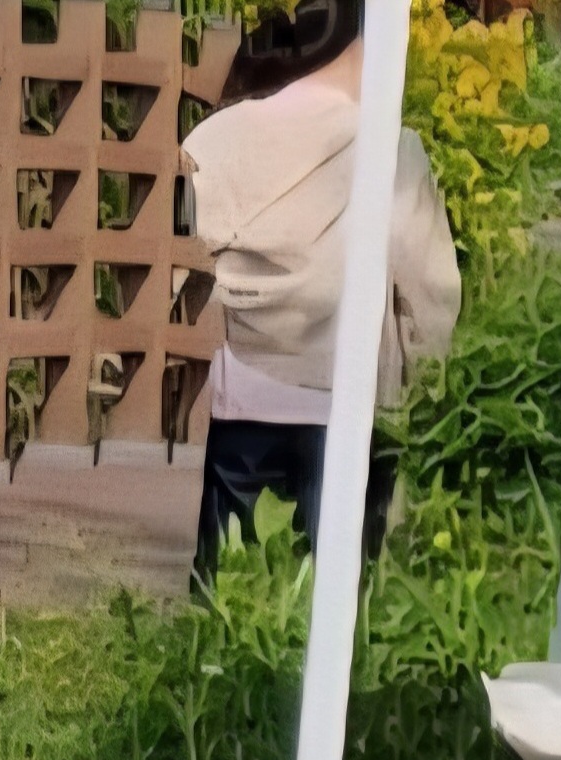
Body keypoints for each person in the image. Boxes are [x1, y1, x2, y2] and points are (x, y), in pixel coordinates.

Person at [183, 0, 461, 579]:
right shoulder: (391, 152)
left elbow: (185, 258)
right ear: (366, 46)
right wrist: (428, 393)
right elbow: (432, 301)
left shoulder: (218, 140)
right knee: (340, 595)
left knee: (229, 590)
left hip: (244, 404)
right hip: (351, 408)